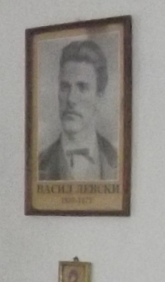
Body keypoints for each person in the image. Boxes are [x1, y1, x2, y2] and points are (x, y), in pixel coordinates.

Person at [37, 39, 118, 182]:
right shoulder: (38, 164)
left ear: (99, 96)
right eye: (65, 87)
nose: (71, 99)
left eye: (82, 87)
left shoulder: (117, 160)